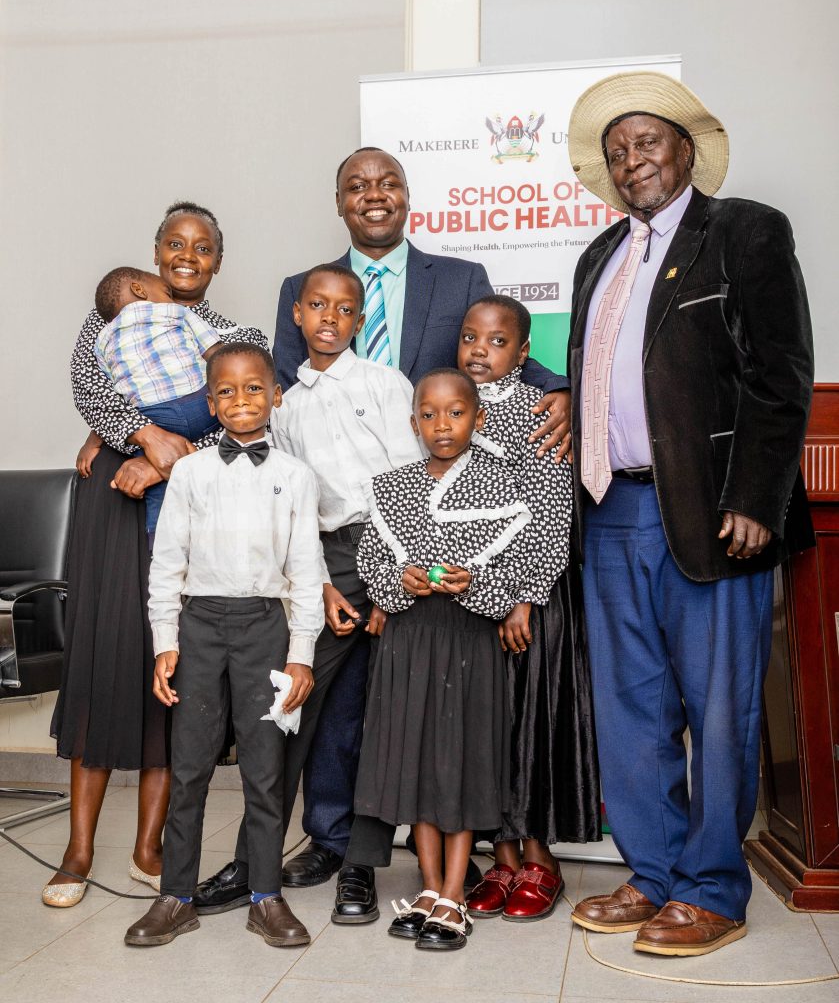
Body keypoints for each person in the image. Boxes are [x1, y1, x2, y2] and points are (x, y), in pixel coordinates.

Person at [264, 145, 573, 906]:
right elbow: (276, 391)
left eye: (388, 183)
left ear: (407, 196)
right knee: (334, 704)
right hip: (341, 537)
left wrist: (558, 390)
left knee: (418, 697)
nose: (375, 196)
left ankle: (434, 840)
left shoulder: (459, 278)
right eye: (357, 186)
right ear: (338, 201)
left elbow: (499, 355)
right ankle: (334, 842)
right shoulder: (299, 288)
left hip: (432, 528)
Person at [564, 72, 814, 956]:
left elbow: (779, 377)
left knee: (717, 709)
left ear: (684, 149)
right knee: (630, 708)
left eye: (648, 142)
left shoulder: (743, 231)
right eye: (617, 150)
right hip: (610, 508)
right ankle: (656, 871)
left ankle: (711, 886)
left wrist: (755, 496)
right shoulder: (598, 255)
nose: (632, 160)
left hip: (712, 514)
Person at [46, 202, 267, 909]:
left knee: (167, 673)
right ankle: (78, 851)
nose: (186, 256)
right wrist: (142, 433)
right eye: (175, 243)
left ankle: (148, 848)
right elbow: (89, 388)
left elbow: (244, 423)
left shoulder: (236, 337)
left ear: (217, 263)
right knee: (100, 662)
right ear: (155, 253)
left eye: (202, 248)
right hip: (110, 507)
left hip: (189, 521)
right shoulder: (109, 314)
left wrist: (172, 461)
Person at [200, 263, 423, 917]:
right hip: (324, 559)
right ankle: (251, 862)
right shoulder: (284, 406)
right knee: (288, 714)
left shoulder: (386, 384)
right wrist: (322, 585)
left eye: (344, 308)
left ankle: (360, 868)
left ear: (359, 321)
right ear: (296, 314)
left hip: (394, 552)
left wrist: (391, 584)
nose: (330, 317)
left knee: (380, 721)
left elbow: (414, 482)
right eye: (317, 305)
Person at [124, 343, 324, 949]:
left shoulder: (295, 476)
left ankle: (265, 896)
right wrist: (165, 643)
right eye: (228, 392)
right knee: (189, 769)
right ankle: (176, 897)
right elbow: (166, 566)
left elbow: (306, 571)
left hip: (266, 626)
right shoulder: (189, 472)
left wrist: (301, 654)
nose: (242, 401)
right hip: (199, 628)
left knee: (266, 771)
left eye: (255, 388)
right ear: (211, 403)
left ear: (276, 396)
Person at [353, 368, 541, 951]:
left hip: (468, 641)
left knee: (460, 763)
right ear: (413, 423)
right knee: (415, 758)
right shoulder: (391, 486)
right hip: (409, 640)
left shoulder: (503, 484)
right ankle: (431, 887)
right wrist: (400, 580)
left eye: (456, 412)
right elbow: (372, 564)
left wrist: (473, 582)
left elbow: (520, 567)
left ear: (478, 418)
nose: (442, 424)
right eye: (429, 414)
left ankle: (457, 891)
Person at [453, 296, 601, 923]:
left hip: (529, 598)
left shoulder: (536, 412)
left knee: (527, 722)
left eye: (495, 341)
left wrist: (522, 597)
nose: (479, 351)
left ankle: (541, 857)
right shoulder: (452, 411)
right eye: (469, 338)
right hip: (468, 598)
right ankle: (503, 857)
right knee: (483, 726)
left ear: (522, 351)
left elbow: (551, 514)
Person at [92, 266, 222, 539]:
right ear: (140, 290)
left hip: (154, 418)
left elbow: (111, 388)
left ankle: (159, 544)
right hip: (201, 404)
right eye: (167, 292)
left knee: (155, 482)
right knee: (242, 422)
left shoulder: (101, 340)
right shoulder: (177, 312)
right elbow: (219, 356)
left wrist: (95, 439)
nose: (171, 298)